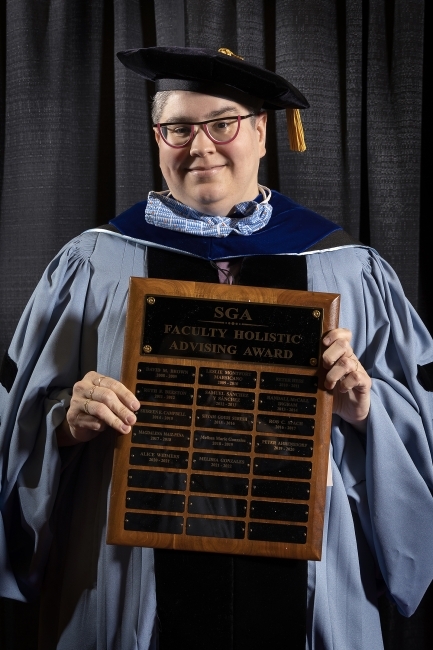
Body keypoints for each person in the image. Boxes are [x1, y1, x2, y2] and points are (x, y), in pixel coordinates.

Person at [1, 46, 433, 650]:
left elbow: (418, 429)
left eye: (222, 123)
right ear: (157, 137)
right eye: (178, 127)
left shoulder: (347, 269)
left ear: (261, 132)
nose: (200, 146)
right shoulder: (93, 264)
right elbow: (18, 420)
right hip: (135, 576)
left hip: (307, 575)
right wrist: (66, 427)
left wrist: (365, 412)